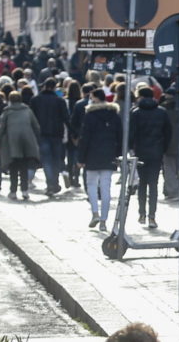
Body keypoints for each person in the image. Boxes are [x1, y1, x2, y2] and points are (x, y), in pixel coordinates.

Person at [77, 88, 122, 231]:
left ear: (96, 98)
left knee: (91, 185)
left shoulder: (90, 115)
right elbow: (120, 137)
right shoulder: (114, 115)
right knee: (106, 188)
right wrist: (118, 155)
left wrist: (81, 158)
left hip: (92, 155)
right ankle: (103, 220)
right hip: (109, 155)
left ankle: (95, 213)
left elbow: (84, 138)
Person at [129, 87, 171, 229]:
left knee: (142, 183)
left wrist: (131, 148)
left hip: (141, 151)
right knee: (153, 184)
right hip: (156, 152)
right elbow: (168, 132)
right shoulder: (162, 112)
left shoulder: (136, 112)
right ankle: (152, 217)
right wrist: (163, 148)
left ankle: (142, 213)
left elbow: (131, 133)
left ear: (140, 97)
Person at [0, 91, 41, 200]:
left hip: (12, 143)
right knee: (24, 167)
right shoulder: (28, 110)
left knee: (13, 168)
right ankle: (24, 190)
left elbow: (1, 128)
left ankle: (13, 191)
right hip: (26, 143)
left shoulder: (7, 112)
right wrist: (35, 140)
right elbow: (36, 126)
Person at [28, 77, 70, 194]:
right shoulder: (60, 101)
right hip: (57, 134)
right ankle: (55, 182)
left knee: (46, 160)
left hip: (41, 134)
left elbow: (31, 118)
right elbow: (66, 118)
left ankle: (51, 184)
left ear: (44, 86)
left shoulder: (35, 100)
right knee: (56, 159)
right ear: (55, 87)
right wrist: (73, 133)